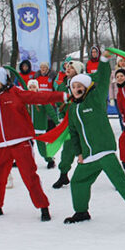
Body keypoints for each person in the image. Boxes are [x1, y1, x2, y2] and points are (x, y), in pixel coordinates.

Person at [63, 52, 125, 233]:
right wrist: (79, 153)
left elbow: (104, 77)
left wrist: (105, 60)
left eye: (79, 85)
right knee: (77, 181)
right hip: (89, 155)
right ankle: (81, 211)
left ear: (86, 87)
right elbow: (73, 133)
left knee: (121, 183)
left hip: (104, 151)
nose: (76, 88)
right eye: (73, 86)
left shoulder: (96, 99)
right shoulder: (73, 109)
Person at [0, 67, 68, 221]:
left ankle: (43, 206)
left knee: (29, 176)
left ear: (3, 81)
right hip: (1, 147)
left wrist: (62, 96)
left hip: (21, 143)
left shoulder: (15, 93)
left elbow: (39, 97)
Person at [52, 60, 85, 188]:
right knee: (68, 150)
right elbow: (58, 102)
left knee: (89, 150)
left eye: (71, 67)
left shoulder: (84, 84)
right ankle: (63, 175)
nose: (68, 68)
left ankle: (85, 174)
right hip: (69, 123)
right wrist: (61, 116)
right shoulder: (62, 86)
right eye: (67, 67)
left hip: (83, 122)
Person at [26, 79, 58, 169]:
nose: (32, 89)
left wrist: (57, 121)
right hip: (28, 128)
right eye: (30, 87)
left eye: (34, 87)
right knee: (24, 146)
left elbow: (50, 111)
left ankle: (50, 160)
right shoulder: (26, 99)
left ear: (37, 88)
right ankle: (20, 161)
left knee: (42, 149)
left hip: (39, 128)